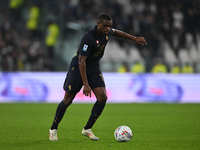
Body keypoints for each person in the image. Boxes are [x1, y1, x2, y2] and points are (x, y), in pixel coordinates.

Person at [49, 13, 147, 141]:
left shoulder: (106, 33)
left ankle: (87, 129)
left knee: (102, 97)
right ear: (98, 24)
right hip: (79, 68)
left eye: (109, 26)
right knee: (67, 100)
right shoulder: (88, 38)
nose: (108, 28)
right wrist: (85, 83)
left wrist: (133, 38)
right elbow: (81, 61)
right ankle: (53, 128)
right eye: (105, 26)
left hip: (93, 67)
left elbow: (116, 32)